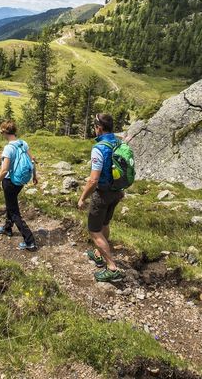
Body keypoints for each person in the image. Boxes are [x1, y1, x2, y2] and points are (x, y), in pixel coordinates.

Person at [77, 113, 125, 283]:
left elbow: (93, 179)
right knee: (105, 224)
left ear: (99, 128)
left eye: (94, 126)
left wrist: (82, 197)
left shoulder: (99, 148)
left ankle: (112, 267)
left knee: (94, 230)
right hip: (117, 192)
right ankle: (98, 254)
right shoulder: (119, 142)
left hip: (103, 194)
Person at [0, 120, 37, 251]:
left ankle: (30, 241)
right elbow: (32, 160)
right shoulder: (23, 143)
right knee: (11, 204)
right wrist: (35, 176)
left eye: (1, 132)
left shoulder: (8, 148)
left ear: (4, 132)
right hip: (20, 181)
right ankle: (7, 228)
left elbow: (4, 170)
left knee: (14, 211)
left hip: (10, 182)